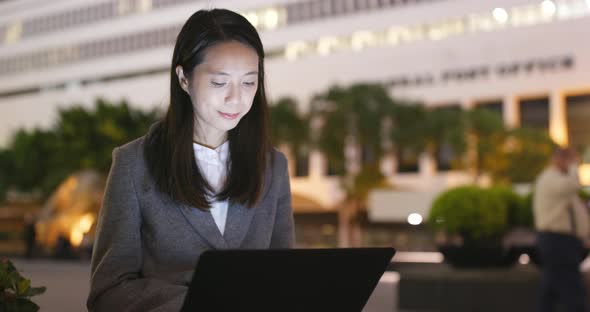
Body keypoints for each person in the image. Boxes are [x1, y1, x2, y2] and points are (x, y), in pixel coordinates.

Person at [87, 9, 294, 311]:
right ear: (184, 78)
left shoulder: (273, 166)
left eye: (249, 82)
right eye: (220, 83)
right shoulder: (134, 165)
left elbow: (284, 275)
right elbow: (107, 292)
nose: (236, 99)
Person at [533, 147, 590, 312]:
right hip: (557, 241)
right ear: (560, 160)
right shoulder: (551, 178)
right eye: (572, 161)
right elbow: (573, 185)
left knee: (549, 290)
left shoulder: (557, 179)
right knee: (572, 289)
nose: (574, 166)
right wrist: (573, 167)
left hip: (560, 241)